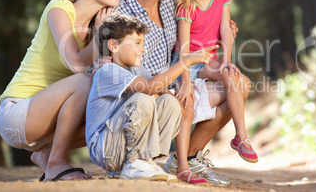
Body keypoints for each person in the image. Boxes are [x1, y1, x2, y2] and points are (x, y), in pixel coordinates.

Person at [115, 0, 251, 186]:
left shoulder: (170, 0)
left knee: (240, 84)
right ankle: (177, 162)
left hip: (179, 77)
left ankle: (190, 156)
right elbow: (184, 46)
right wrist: (183, 78)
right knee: (185, 101)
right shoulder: (118, 11)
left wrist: (225, 34)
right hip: (148, 95)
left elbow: (205, 18)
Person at [0, 0, 122, 181]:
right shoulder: (60, 8)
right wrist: (102, 33)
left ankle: (46, 155)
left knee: (111, 107)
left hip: (44, 121)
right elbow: (75, 63)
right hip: (17, 113)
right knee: (86, 81)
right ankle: (56, 162)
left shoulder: (97, 26)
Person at [86, 14, 217, 183]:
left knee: (170, 103)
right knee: (144, 97)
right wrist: (186, 62)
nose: (143, 49)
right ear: (113, 45)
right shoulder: (108, 71)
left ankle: (145, 161)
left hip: (120, 147)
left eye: (143, 43)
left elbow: (162, 90)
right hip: (106, 150)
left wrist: (175, 91)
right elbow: (149, 87)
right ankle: (134, 162)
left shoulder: (137, 71)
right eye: (137, 43)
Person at [171, 0, 258, 183]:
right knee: (195, 100)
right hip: (190, 64)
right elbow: (184, 47)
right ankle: (184, 163)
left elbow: (225, 30)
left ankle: (241, 137)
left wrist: (227, 62)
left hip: (210, 61)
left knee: (236, 80)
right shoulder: (186, 4)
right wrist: (186, 81)